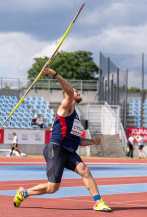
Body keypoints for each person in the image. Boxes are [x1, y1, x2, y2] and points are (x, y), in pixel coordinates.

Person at [13, 66, 111, 212]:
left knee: (85, 170)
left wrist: (92, 142)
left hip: (68, 150)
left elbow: (76, 141)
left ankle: (98, 202)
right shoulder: (66, 107)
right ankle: (23, 193)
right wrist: (55, 74)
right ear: (67, 95)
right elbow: (69, 92)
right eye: (75, 91)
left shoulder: (76, 116)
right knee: (53, 188)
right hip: (56, 148)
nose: (78, 92)